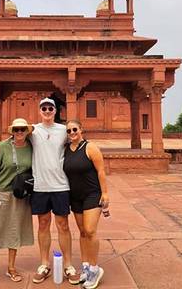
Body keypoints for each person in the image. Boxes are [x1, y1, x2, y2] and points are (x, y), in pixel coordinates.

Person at [29, 98, 78, 284]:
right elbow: (14, 137)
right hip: (40, 185)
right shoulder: (33, 130)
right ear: (40, 111)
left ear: (55, 111)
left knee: (63, 225)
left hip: (60, 185)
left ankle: (68, 265)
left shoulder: (63, 130)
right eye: (44, 108)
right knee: (43, 224)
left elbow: (78, 140)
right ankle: (44, 264)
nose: (47, 111)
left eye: (50, 108)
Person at [0, 118, 35, 285]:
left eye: (22, 129)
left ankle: (11, 267)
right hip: (1, 194)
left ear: (27, 131)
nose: (19, 132)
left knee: (14, 231)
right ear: (12, 131)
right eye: (16, 129)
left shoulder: (31, 146)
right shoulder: (3, 147)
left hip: (20, 196)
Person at [63, 120, 110, 289]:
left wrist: (105, 193)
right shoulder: (66, 150)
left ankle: (95, 268)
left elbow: (101, 171)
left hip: (92, 194)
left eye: (75, 129)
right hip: (75, 196)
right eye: (69, 131)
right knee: (82, 232)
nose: (72, 132)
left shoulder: (90, 148)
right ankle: (86, 267)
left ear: (81, 130)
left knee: (90, 230)